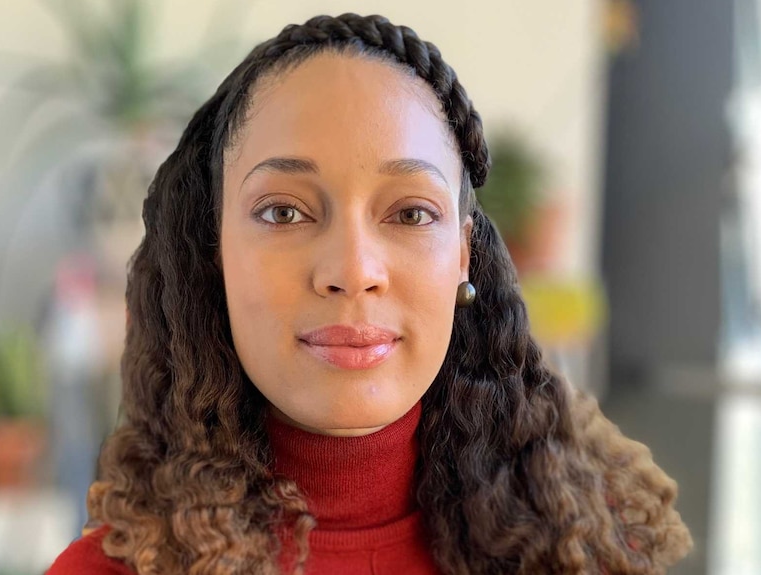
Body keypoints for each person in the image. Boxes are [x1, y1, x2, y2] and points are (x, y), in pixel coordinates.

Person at [47, 13, 692, 575]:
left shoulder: (587, 551)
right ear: (213, 251)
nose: (353, 270)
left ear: (463, 254)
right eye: (283, 213)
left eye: (410, 214)